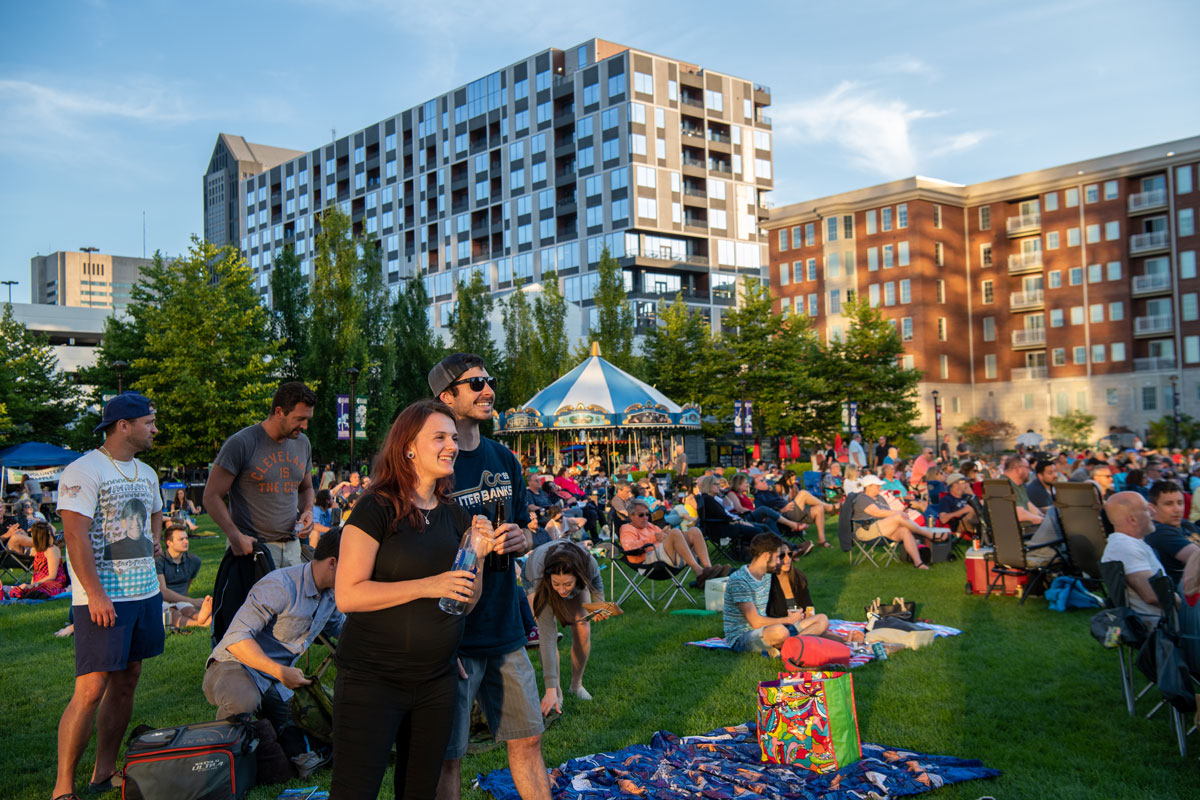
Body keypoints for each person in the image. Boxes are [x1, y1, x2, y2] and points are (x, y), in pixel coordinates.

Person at [333, 400, 493, 800]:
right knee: (355, 791)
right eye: (439, 437)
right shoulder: (375, 507)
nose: (452, 445)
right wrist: (427, 584)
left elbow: (466, 601)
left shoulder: (455, 515)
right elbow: (347, 594)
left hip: (436, 682)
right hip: (372, 679)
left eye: (453, 438)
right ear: (408, 447)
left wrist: (480, 556)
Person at [427, 353, 550, 800]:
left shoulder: (503, 457)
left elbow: (525, 529)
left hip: (504, 624)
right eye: (475, 383)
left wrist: (523, 537)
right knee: (448, 756)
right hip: (454, 631)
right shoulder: (435, 462)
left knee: (528, 738)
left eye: (489, 381)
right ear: (446, 396)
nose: (487, 390)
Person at [53, 391, 163, 799]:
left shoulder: (147, 472)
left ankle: (103, 772)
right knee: (91, 688)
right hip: (102, 598)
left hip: (145, 593)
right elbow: (75, 534)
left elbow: (155, 509)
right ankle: (63, 787)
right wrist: (95, 594)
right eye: (149, 422)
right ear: (124, 425)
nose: (155, 429)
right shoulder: (84, 469)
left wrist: (154, 537)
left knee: (127, 679)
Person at [203, 529, 344, 738]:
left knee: (312, 725)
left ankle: (265, 731)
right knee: (244, 701)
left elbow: (345, 631)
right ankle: (220, 750)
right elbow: (236, 639)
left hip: (275, 679)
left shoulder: (331, 595)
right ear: (333, 563)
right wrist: (280, 672)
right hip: (233, 664)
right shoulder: (280, 585)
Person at [206, 383, 316, 644]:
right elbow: (211, 496)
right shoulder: (242, 443)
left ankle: (279, 678)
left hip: (291, 548)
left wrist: (309, 510)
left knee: (292, 624)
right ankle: (237, 675)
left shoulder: (302, 444)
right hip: (254, 551)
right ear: (279, 411)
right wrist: (234, 536)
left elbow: (307, 486)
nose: (304, 426)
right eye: (300, 419)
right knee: (251, 625)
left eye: (307, 419)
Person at [523, 541, 608, 716]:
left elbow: (596, 580)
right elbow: (546, 638)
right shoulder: (540, 576)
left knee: (583, 627)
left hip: (571, 570)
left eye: (567, 585)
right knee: (548, 632)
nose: (562, 591)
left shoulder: (587, 562)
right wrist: (550, 688)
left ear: (577, 577)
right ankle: (556, 692)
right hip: (535, 576)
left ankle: (576, 686)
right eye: (557, 585)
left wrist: (599, 602)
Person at [723, 533, 828, 656]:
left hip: (766, 630)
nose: (779, 562)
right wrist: (788, 620)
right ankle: (798, 645)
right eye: (778, 557)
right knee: (780, 632)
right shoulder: (740, 580)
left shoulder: (766, 575)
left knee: (822, 619)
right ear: (767, 556)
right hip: (742, 637)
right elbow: (755, 622)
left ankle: (792, 645)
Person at [619, 499, 727, 586]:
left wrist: (666, 534)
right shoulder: (627, 528)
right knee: (675, 532)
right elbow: (629, 547)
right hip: (648, 560)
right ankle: (699, 571)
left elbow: (662, 538)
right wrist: (653, 538)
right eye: (641, 515)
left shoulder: (650, 526)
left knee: (694, 531)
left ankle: (708, 569)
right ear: (631, 516)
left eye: (647, 514)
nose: (646, 517)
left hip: (664, 555)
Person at [851, 475, 950, 568]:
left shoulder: (880, 498)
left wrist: (901, 512)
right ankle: (929, 534)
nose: (880, 487)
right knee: (898, 515)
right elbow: (877, 512)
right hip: (865, 531)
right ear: (869, 487)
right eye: (877, 486)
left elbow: (889, 512)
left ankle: (918, 563)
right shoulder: (862, 498)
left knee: (904, 530)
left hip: (882, 530)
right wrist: (898, 514)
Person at [1102, 492, 1171, 623]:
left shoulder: (1130, 543)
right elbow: (1152, 595)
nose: (1153, 512)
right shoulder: (1124, 546)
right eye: (1146, 509)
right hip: (1160, 630)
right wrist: (1184, 605)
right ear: (1132, 519)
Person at [751, 473, 834, 547]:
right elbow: (764, 516)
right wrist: (781, 511)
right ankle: (829, 508)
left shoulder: (771, 492)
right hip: (784, 517)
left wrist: (788, 503)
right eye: (761, 481)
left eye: (764, 479)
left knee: (819, 508)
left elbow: (781, 502)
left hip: (791, 511)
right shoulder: (758, 497)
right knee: (803, 493)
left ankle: (822, 541)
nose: (765, 481)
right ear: (756, 487)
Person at [156, 522, 213, 629]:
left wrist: (186, 601)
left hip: (181, 601)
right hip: (161, 602)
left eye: (186, 538)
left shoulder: (194, 561)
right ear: (169, 543)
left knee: (190, 610)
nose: (186, 541)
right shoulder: (159, 561)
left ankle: (202, 617)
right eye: (181, 539)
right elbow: (162, 592)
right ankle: (200, 623)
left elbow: (187, 586)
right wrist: (192, 601)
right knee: (173, 613)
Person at [1146, 481, 1200, 585]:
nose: (1177, 509)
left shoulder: (1185, 524)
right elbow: (1196, 558)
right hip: (1186, 590)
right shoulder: (1158, 531)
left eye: (1180, 503)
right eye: (1168, 504)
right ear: (1152, 507)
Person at [6, 519, 68, 599]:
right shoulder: (39, 550)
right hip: (39, 582)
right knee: (16, 592)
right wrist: (29, 585)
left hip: (52, 583)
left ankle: (66, 590)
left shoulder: (51, 549)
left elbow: (52, 575)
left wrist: (34, 584)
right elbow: (36, 573)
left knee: (37, 593)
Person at [1000, 455, 1044, 526]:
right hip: (1014, 531)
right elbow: (1020, 514)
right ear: (1018, 470)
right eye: (1027, 467)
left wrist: (1043, 517)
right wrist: (1042, 521)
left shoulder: (1019, 485)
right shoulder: (1004, 486)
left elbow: (1028, 505)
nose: (1029, 471)